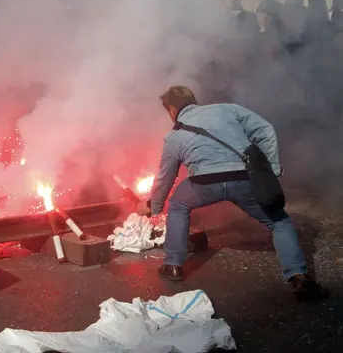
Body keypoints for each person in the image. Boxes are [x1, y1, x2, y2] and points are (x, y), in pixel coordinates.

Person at [139, 86, 328, 299]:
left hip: (204, 183)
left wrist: (153, 207)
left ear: (172, 110)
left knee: (178, 204)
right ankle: (298, 276)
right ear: (193, 101)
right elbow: (265, 130)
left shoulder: (174, 136)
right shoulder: (227, 110)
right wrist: (272, 169)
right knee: (278, 221)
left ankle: (173, 265)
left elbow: (166, 177)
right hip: (244, 178)